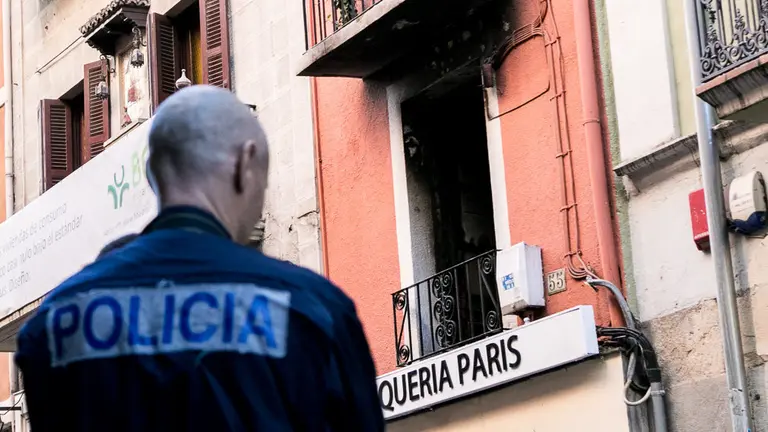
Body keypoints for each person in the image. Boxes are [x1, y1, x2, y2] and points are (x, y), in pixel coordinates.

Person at [15, 85, 384, 432]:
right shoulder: (314, 309)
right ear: (244, 164)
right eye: (263, 179)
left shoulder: (53, 323)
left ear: (151, 175)